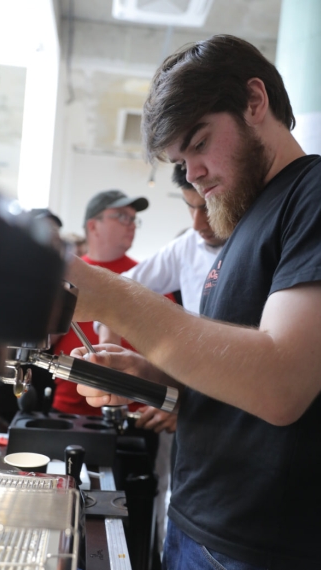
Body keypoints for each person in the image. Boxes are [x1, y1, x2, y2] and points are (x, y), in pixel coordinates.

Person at [65, 34, 321, 570]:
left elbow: (281, 382)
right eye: (178, 161)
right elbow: (236, 378)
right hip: (201, 530)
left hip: (259, 557)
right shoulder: (242, 223)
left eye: (198, 144)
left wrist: (111, 295)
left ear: (255, 101)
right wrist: (152, 376)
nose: (193, 175)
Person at [99, 165, 224, 547]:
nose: (198, 223)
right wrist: (108, 357)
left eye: (207, 207)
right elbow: (118, 294)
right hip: (195, 430)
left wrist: (189, 401)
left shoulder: (258, 246)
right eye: (189, 207)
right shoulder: (187, 247)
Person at [51, 189, 148, 416]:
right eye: (122, 216)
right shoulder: (67, 274)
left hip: (135, 413)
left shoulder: (149, 275)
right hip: (68, 410)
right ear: (93, 226)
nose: (132, 225)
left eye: (133, 219)